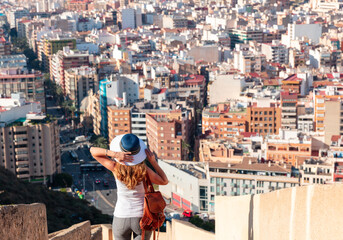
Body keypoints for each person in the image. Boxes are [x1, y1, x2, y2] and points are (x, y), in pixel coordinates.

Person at [90, 134, 168, 240]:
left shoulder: (115, 167)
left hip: (121, 216)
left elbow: (93, 151)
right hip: (143, 217)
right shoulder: (143, 170)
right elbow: (164, 181)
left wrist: (114, 154)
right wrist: (153, 162)